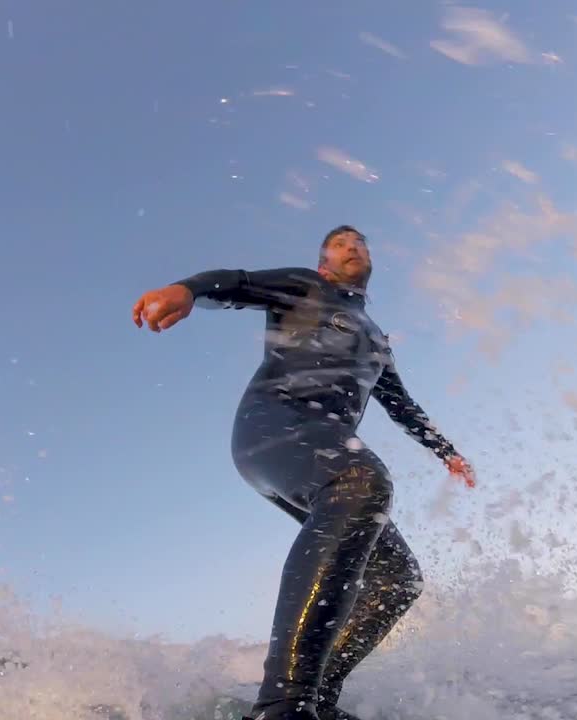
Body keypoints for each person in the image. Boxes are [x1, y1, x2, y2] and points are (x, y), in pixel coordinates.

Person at [131, 225, 475, 720]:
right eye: (339, 244)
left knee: (397, 577)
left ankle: (318, 697)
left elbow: (402, 406)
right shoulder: (306, 287)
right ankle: (283, 704)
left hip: (322, 446)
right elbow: (236, 281)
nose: (352, 247)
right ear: (323, 263)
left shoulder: (377, 340)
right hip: (273, 426)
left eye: (359, 242)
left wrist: (446, 451)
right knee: (360, 480)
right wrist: (186, 289)